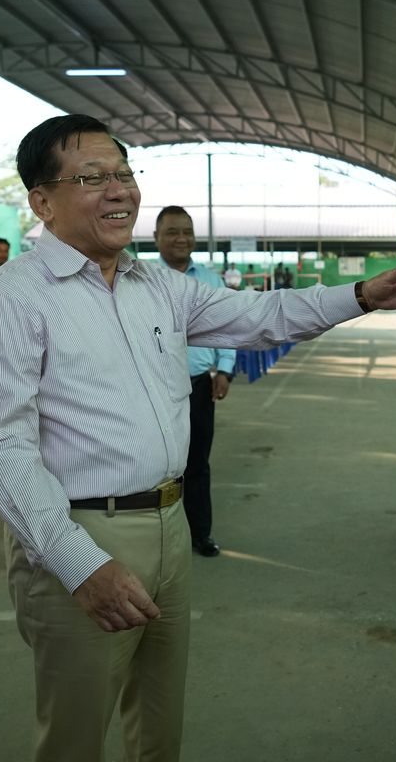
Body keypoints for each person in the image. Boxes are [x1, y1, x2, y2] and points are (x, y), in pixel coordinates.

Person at [0, 114, 396, 762]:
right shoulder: (13, 299)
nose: (119, 190)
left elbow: (264, 316)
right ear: (42, 202)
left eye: (124, 173)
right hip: (84, 536)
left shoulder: (156, 286)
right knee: (74, 740)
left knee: (159, 725)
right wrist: (81, 565)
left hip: (170, 525)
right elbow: (0, 449)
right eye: (92, 178)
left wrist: (363, 294)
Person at [153, 205, 236, 558]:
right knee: (156, 466)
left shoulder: (211, 280)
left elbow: (229, 326)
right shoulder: (141, 278)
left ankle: (200, 533)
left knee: (197, 463)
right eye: (172, 232)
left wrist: (225, 370)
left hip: (200, 385)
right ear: (156, 238)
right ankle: (158, 538)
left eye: (187, 232)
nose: (181, 238)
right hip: (153, 389)